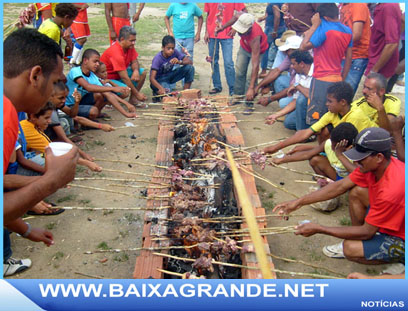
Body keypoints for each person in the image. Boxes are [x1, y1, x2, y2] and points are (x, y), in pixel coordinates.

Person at [3, 28, 78, 276]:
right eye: (55, 82)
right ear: (35, 76)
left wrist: (24, 229)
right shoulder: (5, 119)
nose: (55, 93)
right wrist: (52, 180)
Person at [275, 127, 405, 265]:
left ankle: (401, 260)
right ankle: (364, 239)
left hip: (402, 235)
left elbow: (367, 232)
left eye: (361, 158)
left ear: (379, 157)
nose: (357, 162)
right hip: (395, 215)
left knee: (349, 249)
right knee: (356, 192)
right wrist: (299, 202)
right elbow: (340, 186)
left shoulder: (391, 190)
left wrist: (320, 229)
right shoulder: (375, 167)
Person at [263, 82, 377, 155]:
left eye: (330, 101)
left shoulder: (355, 116)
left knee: (314, 155)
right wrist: (276, 147)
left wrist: (307, 149)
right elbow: (306, 133)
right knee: (323, 131)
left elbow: (346, 147)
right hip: (347, 147)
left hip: (367, 150)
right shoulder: (332, 113)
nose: (326, 104)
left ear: (342, 102)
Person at [300, 3, 352, 126]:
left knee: (316, 114)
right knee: (331, 114)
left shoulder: (324, 29)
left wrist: (314, 25)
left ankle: (314, 140)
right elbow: (349, 58)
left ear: (324, 17)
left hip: (320, 79)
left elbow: (303, 47)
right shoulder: (348, 31)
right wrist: (342, 79)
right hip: (337, 78)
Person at [20, 102, 101, 172]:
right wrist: (87, 163)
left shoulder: (27, 124)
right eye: (46, 118)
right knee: (55, 162)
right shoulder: (30, 131)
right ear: (33, 117)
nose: (50, 121)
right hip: (16, 166)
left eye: (50, 117)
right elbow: (54, 152)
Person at [66, 48, 136, 120]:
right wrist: (114, 88)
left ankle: (89, 119)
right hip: (69, 105)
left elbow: (107, 93)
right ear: (85, 60)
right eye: (95, 61)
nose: (97, 64)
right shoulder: (75, 71)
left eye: (98, 62)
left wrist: (126, 110)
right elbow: (88, 87)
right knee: (94, 110)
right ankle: (87, 121)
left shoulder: (92, 76)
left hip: (80, 102)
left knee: (101, 94)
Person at [204, 3, 247, 96]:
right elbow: (208, 15)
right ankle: (217, 86)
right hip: (212, 34)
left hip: (227, 34)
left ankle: (232, 88)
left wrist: (235, 28)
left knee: (228, 63)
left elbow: (243, 12)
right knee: (213, 61)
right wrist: (206, 32)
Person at [265, 50, 313, 131]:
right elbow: (295, 101)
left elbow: (312, 95)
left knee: (302, 99)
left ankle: (303, 133)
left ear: (301, 64)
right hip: (306, 107)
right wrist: (276, 115)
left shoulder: (317, 73)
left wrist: (297, 86)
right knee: (288, 123)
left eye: (293, 64)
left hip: (317, 108)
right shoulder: (298, 75)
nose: (291, 66)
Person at [230, 13, 268, 112]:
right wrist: (229, 28)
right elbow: (235, 16)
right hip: (244, 48)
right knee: (239, 72)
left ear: (249, 29)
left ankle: (249, 102)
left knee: (250, 75)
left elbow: (255, 65)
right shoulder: (243, 17)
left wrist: (251, 88)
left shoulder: (255, 36)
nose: (240, 33)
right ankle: (238, 96)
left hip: (257, 51)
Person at [100, 26, 147, 105]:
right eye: (131, 41)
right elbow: (124, 77)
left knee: (142, 73)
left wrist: (135, 71)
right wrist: (137, 93)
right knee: (125, 91)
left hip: (119, 76)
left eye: (134, 40)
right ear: (122, 39)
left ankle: (133, 99)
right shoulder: (116, 52)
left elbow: (135, 61)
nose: (133, 43)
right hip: (108, 78)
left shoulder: (129, 46)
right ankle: (108, 102)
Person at [255, 31, 302, 103]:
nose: (285, 52)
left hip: (300, 89)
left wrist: (269, 99)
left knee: (283, 103)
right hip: (293, 83)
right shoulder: (290, 56)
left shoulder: (303, 63)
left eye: (287, 50)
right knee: (279, 80)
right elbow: (276, 70)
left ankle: (290, 104)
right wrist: (258, 87)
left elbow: (294, 86)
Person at [339, 3, 371, 95]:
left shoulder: (358, 5)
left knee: (345, 94)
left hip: (357, 56)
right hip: (345, 54)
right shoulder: (343, 5)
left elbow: (356, 35)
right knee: (339, 92)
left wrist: (337, 44)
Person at [365, 3, 402, 79]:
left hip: (379, 67)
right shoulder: (380, 6)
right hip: (374, 60)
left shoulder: (389, 6)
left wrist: (374, 71)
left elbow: (392, 43)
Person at [258, 4, 286, 77]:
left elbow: (277, 16)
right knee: (280, 49)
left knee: (265, 48)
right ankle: (280, 69)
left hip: (272, 28)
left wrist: (275, 31)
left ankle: (264, 70)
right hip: (280, 26)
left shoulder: (274, 2)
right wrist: (263, 18)